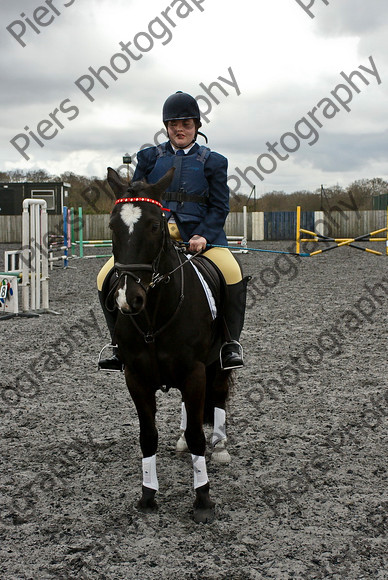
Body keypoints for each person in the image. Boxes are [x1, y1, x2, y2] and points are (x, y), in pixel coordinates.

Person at [97, 91, 249, 371]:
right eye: (174, 124)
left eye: (187, 124)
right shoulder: (148, 158)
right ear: (166, 127)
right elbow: (135, 199)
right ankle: (118, 345)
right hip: (153, 238)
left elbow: (219, 206)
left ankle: (230, 344)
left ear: (197, 127)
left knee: (232, 273)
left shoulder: (214, 161)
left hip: (201, 238)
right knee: (104, 275)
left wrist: (203, 234)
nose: (180, 129)